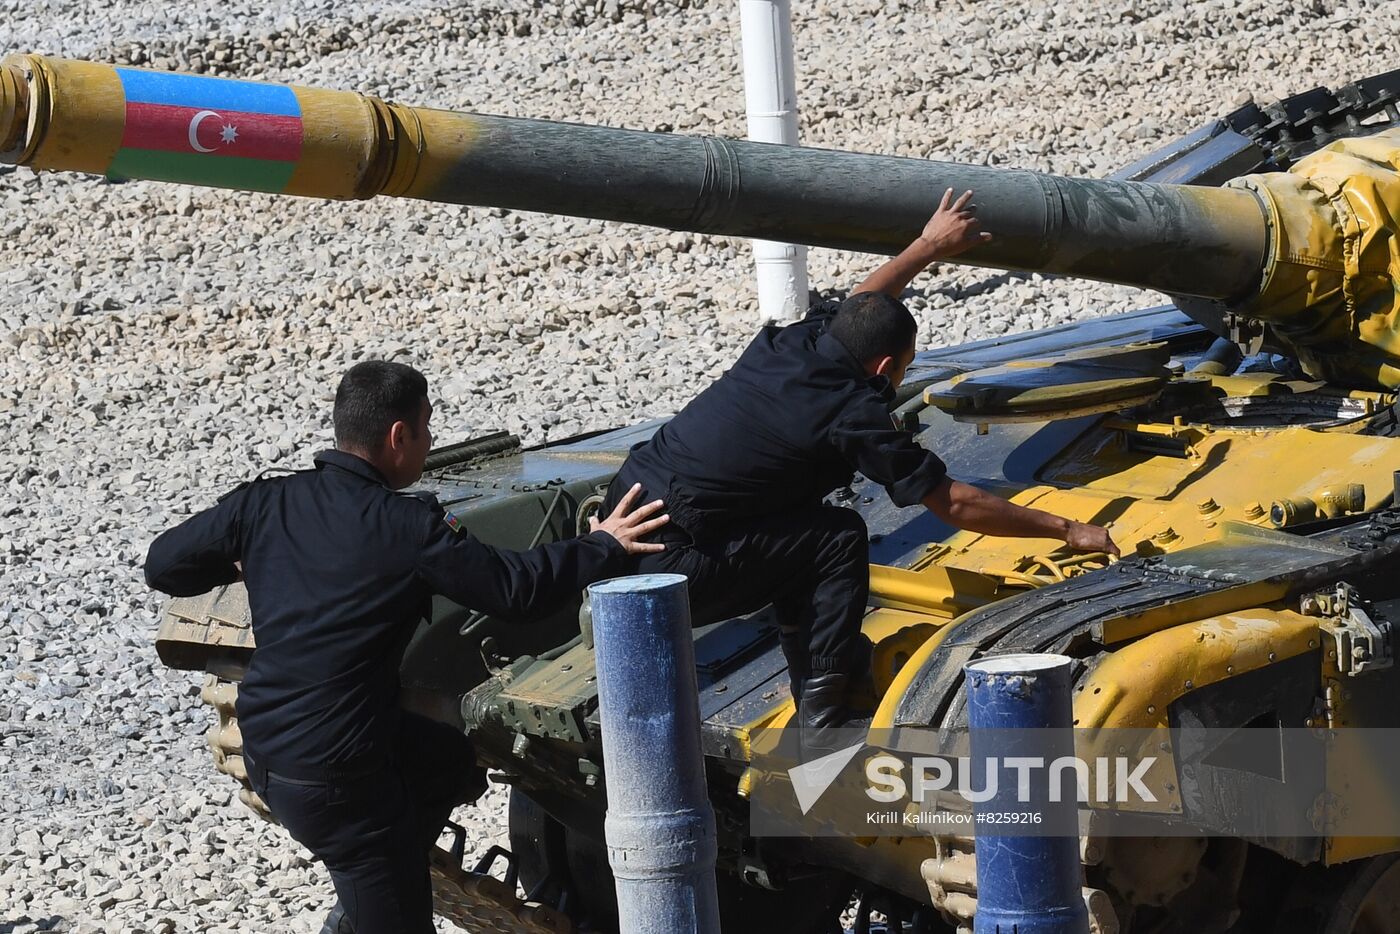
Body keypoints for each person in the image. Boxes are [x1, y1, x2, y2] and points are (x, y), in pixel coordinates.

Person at [144, 361, 668, 934]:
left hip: (269, 745)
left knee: (443, 757)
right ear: (399, 437)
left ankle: (382, 873)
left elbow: (164, 564)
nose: (429, 442)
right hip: (338, 780)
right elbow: (515, 590)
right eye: (426, 428)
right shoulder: (407, 526)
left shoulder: (266, 504)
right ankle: (376, 883)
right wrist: (603, 545)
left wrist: (249, 556)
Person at [603, 189, 1119, 747]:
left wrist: (928, 246)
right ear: (882, 366)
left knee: (802, 518)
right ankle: (823, 716)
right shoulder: (852, 412)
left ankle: (822, 661)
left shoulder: (792, 343)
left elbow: (864, 300)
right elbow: (953, 503)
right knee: (836, 536)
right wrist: (1068, 529)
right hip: (671, 570)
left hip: (618, 525)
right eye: (905, 367)